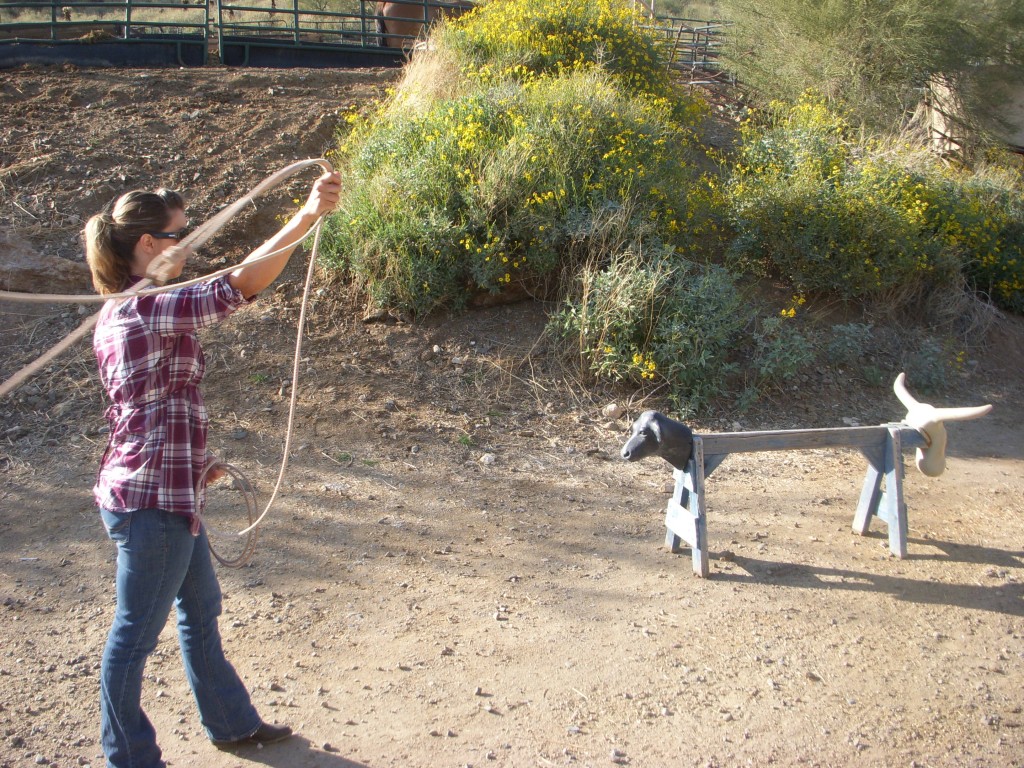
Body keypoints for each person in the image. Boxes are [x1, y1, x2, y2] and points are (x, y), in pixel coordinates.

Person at [84, 170, 341, 768]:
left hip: (163, 490)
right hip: (151, 503)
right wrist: (305, 217)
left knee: (200, 612)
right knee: (133, 637)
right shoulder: (145, 309)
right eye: (181, 235)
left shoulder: (133, 310)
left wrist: (199, 463)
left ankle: (230, 723)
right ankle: (128, 756)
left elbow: (152, 404)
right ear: (147, 244)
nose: (189, 244)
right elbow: (239, 284)